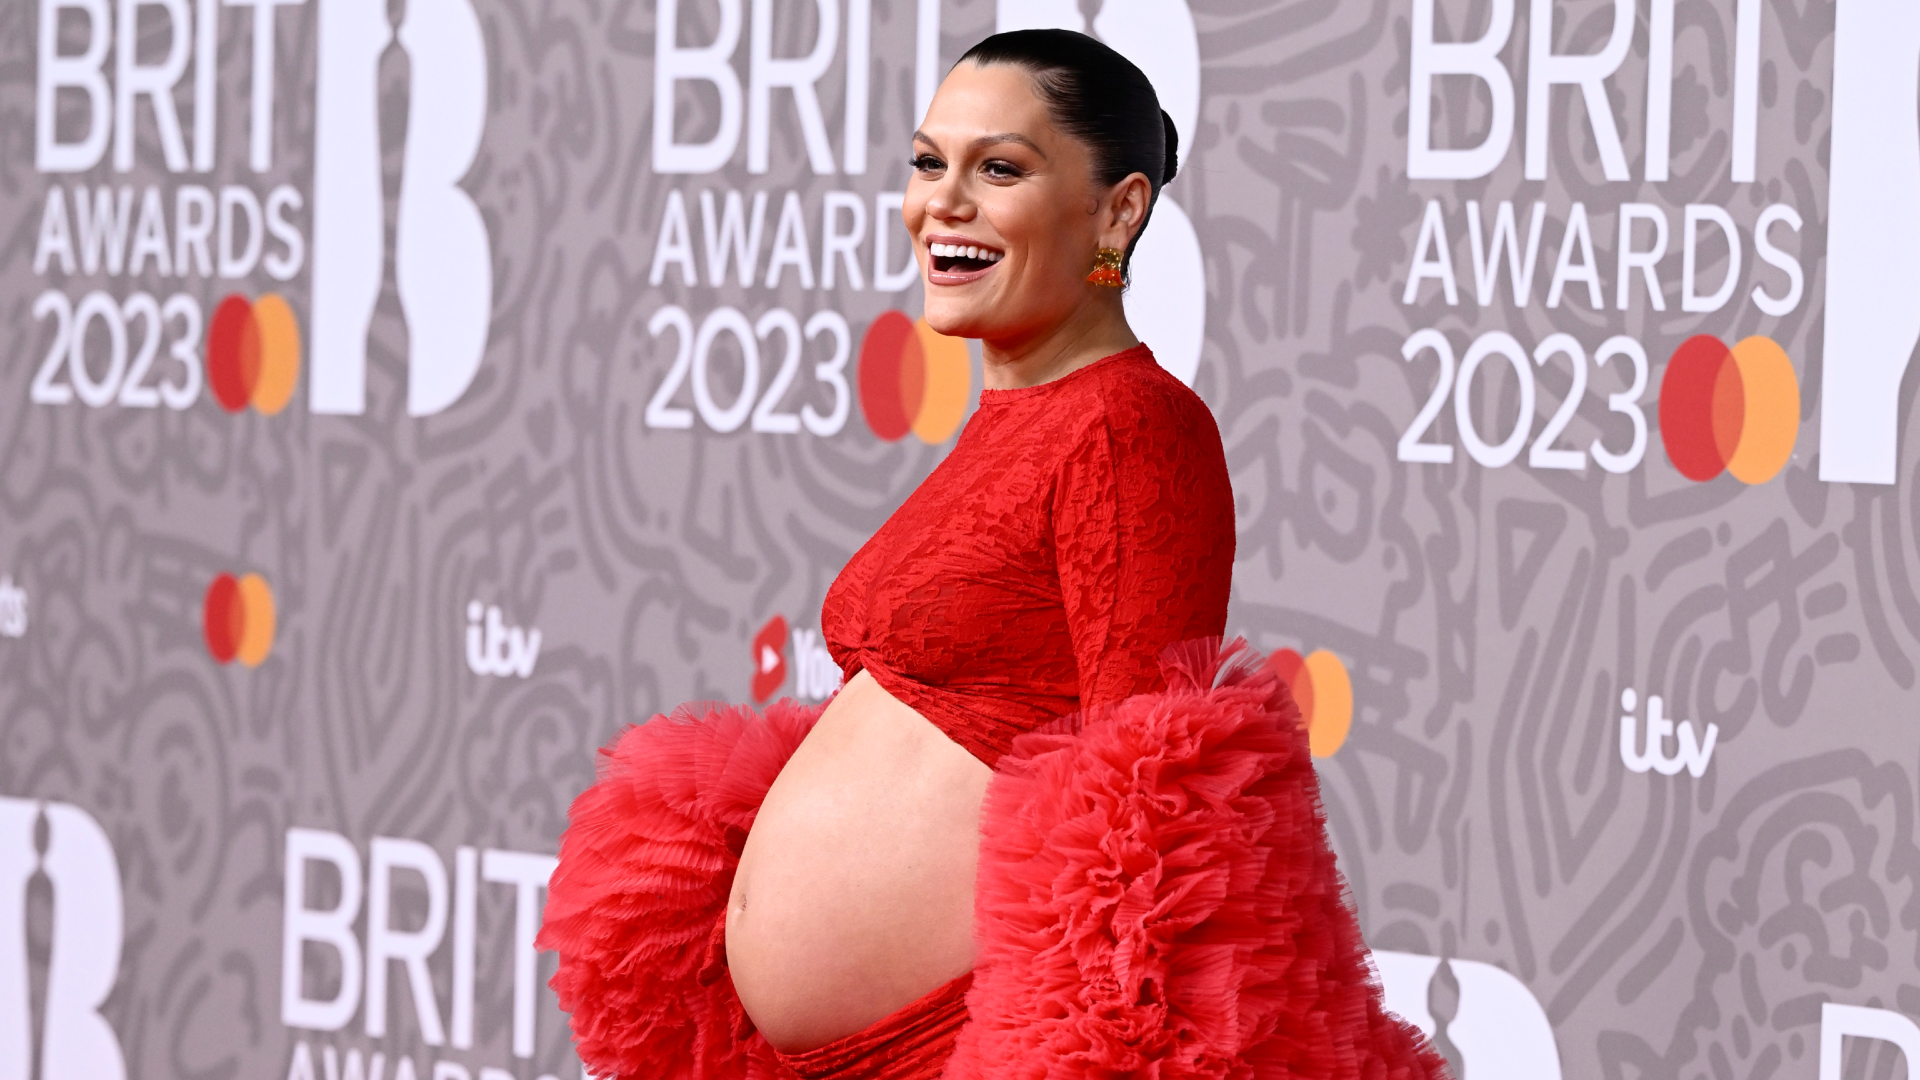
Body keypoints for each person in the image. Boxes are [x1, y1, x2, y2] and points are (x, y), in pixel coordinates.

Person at [538, 29, 1449, 1080]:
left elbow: (1149, 812)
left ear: (1118, 211)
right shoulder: (1014, 420)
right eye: (928, 163)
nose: (944, 203)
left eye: (1000, 169)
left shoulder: (1128, 424)